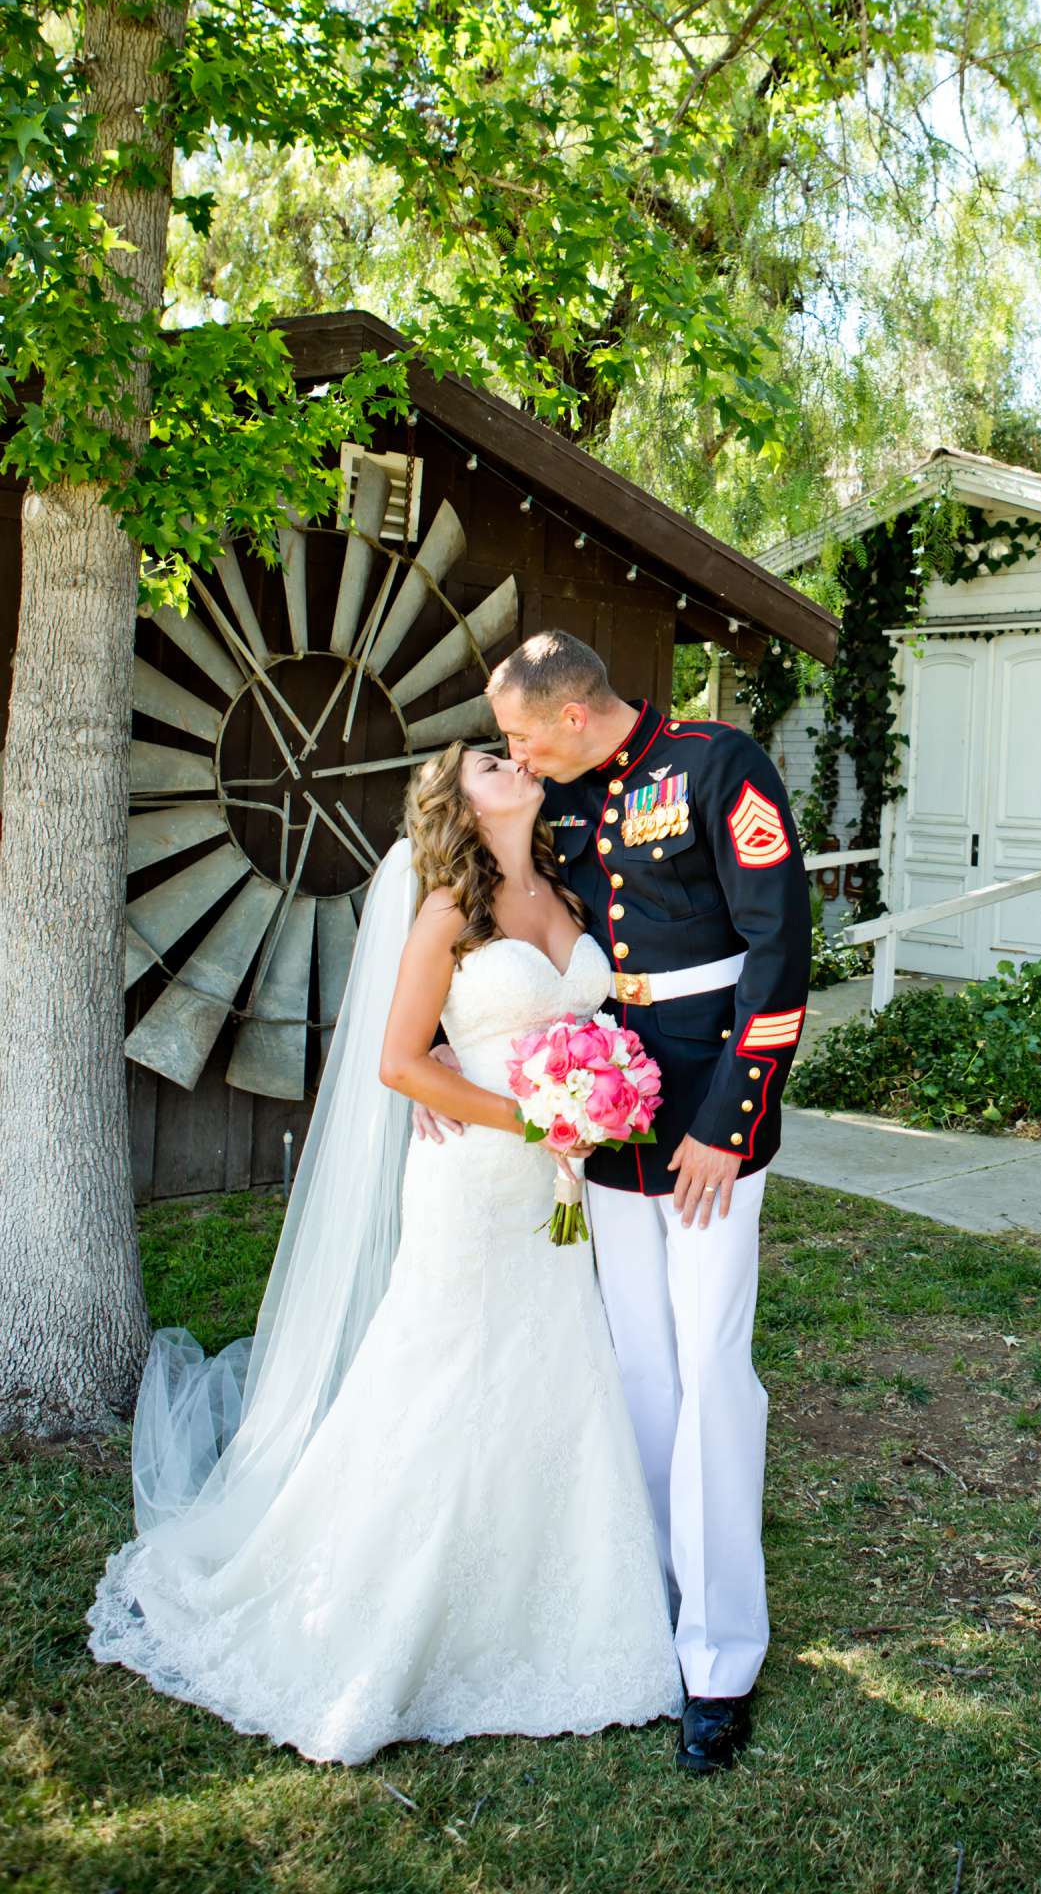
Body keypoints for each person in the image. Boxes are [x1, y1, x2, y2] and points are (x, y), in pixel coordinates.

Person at [87, 744, 682, 1767]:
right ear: (457, 803)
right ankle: (382, 1607)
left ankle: (559, 1598)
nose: (513, 761)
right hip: (478, 1178)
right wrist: (537, 1119)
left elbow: (570, 1013)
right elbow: (399, 1062)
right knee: (442, 1367)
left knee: (552, 1363)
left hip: (556, 1183)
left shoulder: (574, 889)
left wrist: (600, 1089)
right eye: (491, 762)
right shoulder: (449, 909)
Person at [416, 629, 811, 1775]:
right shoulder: (562, 801)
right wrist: (430, 1063)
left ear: (574, 715)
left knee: (709, 1371)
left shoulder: (716, 765)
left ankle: (719, 1656)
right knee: (637, 1363)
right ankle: (652, 1594)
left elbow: (778, 952)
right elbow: (498, 918)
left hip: (702, 1121)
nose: (513, 753)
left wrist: (728, 1124)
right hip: (605, 1116)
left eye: (521, 733)